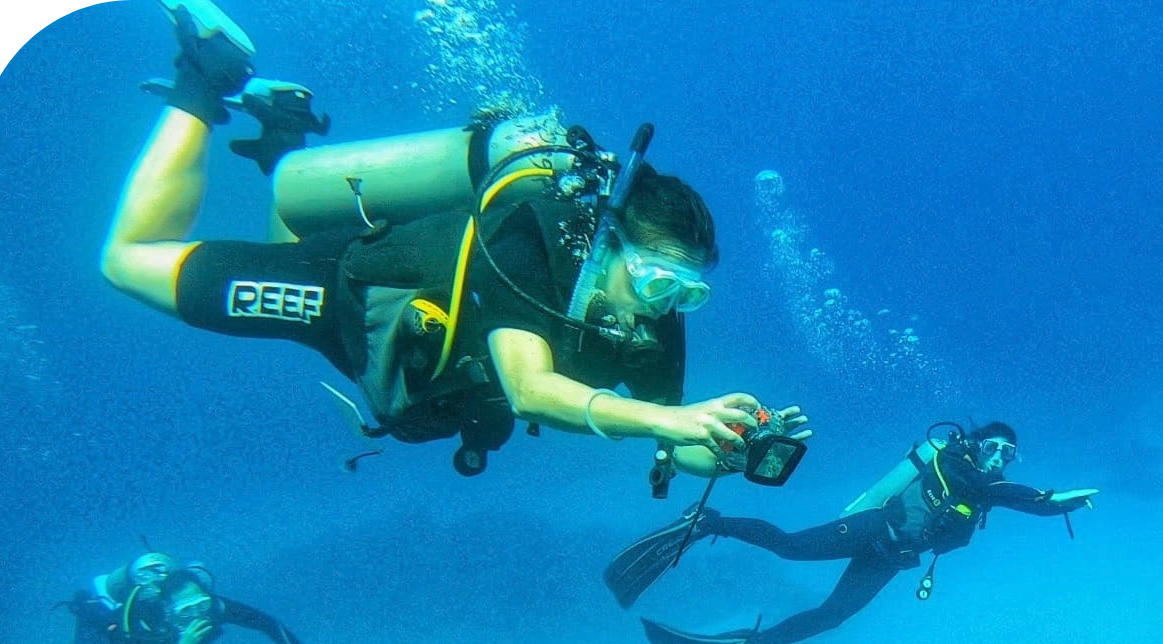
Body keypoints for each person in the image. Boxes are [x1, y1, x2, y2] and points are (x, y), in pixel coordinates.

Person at [101, 1, 806, 479]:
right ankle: (207, 79)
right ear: (605, 243)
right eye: (656, 281)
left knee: (290, 209)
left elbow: (668, 436)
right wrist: (676, 417)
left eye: (688, 292)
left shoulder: (654, 324)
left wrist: (719, 448)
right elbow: (530, 391)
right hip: (346, 294)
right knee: (127, 263)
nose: (664, 304)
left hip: (405, 357)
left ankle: (281, 136)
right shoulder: (534, 243)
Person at [605, 422, 1097, 644]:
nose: (999, 459)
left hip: (892, 558)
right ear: (972, 445)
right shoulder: (955, 465)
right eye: (992, 448)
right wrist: (1050, 502)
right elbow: (1000, 493)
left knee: (832, 616)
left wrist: (1050, 504)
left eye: (1008, 454)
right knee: (791, 548)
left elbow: (995, 497)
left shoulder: (982, 490)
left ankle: (749, 643)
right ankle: (710, 521)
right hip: (868, 530)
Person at [64, 553, 328, 644]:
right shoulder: (145, 622)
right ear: (167, 608)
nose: (198, 615)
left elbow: (265, 622)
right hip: (118, 630)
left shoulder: (215, 607)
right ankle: (87, 605)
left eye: (201, 604)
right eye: (187, 609)